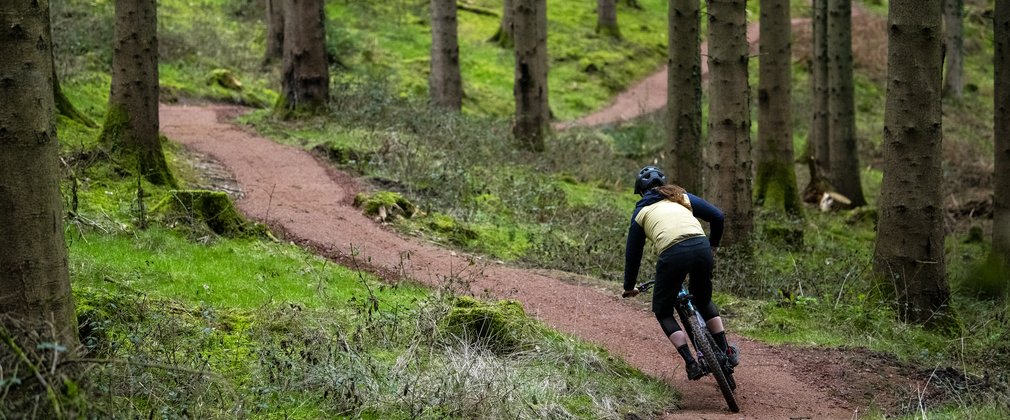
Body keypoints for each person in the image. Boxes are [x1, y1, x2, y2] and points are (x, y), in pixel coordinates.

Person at [620, 166, 738, 380]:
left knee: (663, 311)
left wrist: (629, 286)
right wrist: (712, 246)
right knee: (703, 300)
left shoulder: (641, 212)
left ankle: (691, 363)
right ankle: (727, 351)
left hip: (673, 255)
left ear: (640, 192)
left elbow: (633, 254)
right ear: (663, 184)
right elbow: (718, 216)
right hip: (701, 247)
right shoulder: (680, 197)